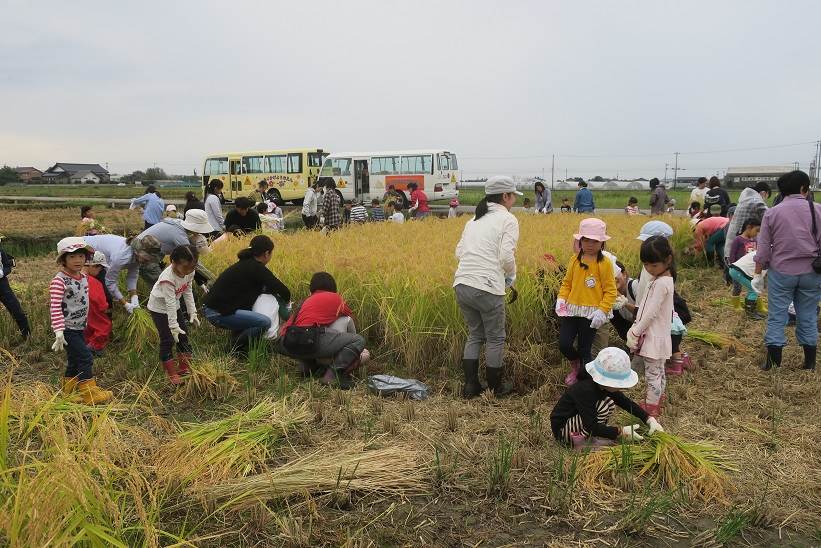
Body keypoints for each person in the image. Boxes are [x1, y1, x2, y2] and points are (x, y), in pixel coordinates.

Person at [454, 175, 521, 398]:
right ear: (505, 196)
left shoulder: (473, 220)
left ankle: (470, 386)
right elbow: (505, 256)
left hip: (462, 283)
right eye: (513, 196)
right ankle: (495, 388)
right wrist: (511, 276)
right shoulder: (508, 219)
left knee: (475, 335)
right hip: (487, 287)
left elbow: (459, 252)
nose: (514, 201)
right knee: (495, 337)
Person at [753, 170, 821, 371]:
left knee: (776, 315)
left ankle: (773, 363)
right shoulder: (817, 210)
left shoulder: (772, 213)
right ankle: (809, 363)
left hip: (782, 272)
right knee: (808, 315)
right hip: (812, 272)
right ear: (803, 188)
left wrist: (758, 273)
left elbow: (764, 248)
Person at [550, 347, 663, 448]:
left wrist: (649, 419)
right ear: (609, 381)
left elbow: (625, 402)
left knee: (608, 402)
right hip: (563, 431)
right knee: (603, 405)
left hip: (576, 422)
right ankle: (581, 442)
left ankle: (590, 437)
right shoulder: (586, 390)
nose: (620, 387)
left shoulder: (603, 386)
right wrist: (620, 431)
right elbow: (592, 426)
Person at [49, 237, 113, 405]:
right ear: (63, 260)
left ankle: (68, 391)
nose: (78, 260)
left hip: (80, 327)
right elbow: (55, 306)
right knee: (86, 357)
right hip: (67, 329)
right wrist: (58, 331)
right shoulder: (59, 281)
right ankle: (88, 393)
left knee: (74, 359)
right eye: (72, 257)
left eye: (81, 256)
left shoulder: (83, 277)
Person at [203, 235, 291, 354]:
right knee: (264, 322)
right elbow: (284, 290)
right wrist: (286, 305)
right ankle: (232, 348)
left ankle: (241, 348)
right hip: (217, 313)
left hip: (213, 309)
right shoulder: (257, 268)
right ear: (266, 253)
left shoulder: (244, 264)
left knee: (249, 316)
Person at [279, 272, 368, 389]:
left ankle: (307, 366)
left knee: (308, 337)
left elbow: (287, 326)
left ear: (312, 289)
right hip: (312, 341)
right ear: (333, 288)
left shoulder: (304, 302)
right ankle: (332, 375)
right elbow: (351, 318)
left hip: (287, 344)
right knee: (358, 340)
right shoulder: (335, 298)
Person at [555, 218, 617, 386]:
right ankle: (575, 365)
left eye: (595, 240)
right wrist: (561, 298)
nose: (590, 244)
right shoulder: (574, 260)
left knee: (585, 349)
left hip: (591, 314)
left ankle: (584, 380)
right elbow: (567, 283)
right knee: (564, 344)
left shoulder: (605, 264)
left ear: (602, 243)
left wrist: (602, 310)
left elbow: (611, 291)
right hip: (572, 310)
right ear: (580, 241)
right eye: (586, 239)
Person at [634, 221, 692, 376]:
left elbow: (650, 309)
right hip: (656, 321)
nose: (648, 267)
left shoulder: (658, 277)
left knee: (654, 368)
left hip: (652, 323)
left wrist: (636, 330)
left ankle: (654, 399)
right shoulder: (662, 271)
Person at [626, 236, 675, 417]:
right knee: (659, 372)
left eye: (653, 265)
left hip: (653, 336)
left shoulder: (661, 283)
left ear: (668, 260)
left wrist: (636, 330)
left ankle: (651, 408)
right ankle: (657, 400)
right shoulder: (663, 279)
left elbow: (651, 313)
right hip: (660, 336)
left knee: (653, 375)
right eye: (646, 265)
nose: (649, 269)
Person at [148, 245, 199, 385]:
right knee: (168, 339)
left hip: (174, 305)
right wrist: (173, 325)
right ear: (173, 263)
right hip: (159, 308)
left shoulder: (190, 272)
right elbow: (169, 303)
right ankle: (171, 373)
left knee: (183, 335)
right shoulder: (167, 279)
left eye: (192, 267)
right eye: (185, 267)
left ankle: (184, 367)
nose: (188, 271)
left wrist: (192, 311)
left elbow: (187, 290)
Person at [130, 209, 214, 285]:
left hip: (150, 252)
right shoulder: (179, 235)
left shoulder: (178, 224)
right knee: (162, 287)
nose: (199, 232)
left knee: (166, 287)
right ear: (194, 226)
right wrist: (211, 277)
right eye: (199, 229)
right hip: (142, 254)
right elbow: (193, 261)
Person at [83, 234, 146, 313]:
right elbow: (110, 281)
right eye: (147, 257)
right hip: (87, 249)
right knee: (103, 294)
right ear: (138, 253)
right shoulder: (121, 256)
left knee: (103, 293)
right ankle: (97, 314)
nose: (148, 261)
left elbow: (132, 277)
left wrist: (134, 296)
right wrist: (125, 304)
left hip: (101, 259)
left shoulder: (137, 256)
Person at [722, 182, 770, 266]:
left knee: (732, 262)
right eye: (766, 196)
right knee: (738, 265)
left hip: (734, 237)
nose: (765, 199)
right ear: (763, 193)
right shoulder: (755, 201)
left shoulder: (746, 198)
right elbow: (770, 217)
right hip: (742, 240)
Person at [729, 221, 766, 320]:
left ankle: (754, 307)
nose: (758, 234)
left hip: (749, 269)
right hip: (739, 268)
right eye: (757, 230)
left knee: (755, 287)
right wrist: (730, 265)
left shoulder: (755, 241)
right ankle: (743, 308)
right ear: (749, 227)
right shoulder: (738, 240)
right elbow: (732, 254)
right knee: (743, 288)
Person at [0, 234, 30, 340]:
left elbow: (7, 264)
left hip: (2, 284)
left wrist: (2, 273)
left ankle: (27, 336)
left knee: (16, 309)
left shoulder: (1, 251)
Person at [82, 251, 112, 355]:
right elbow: (102, 304)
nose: (100, 271)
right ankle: (93, 347)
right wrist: (106, 307)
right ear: (94, 266)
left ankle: (84, 344)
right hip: (93, 312)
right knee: (104, 325)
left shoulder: (73, 279)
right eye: (101, 268)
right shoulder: (94, 283)